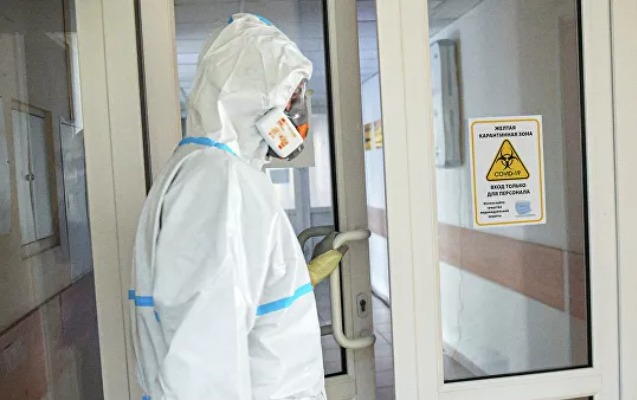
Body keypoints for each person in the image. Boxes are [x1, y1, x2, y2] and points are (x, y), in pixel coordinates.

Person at [129, 13, 345, 399]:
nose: (297, 113)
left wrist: (289, 279)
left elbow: (223, 300)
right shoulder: (218, 181)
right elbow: (203, 361)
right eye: (290, 97)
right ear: (254, 93)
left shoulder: (214, 171)